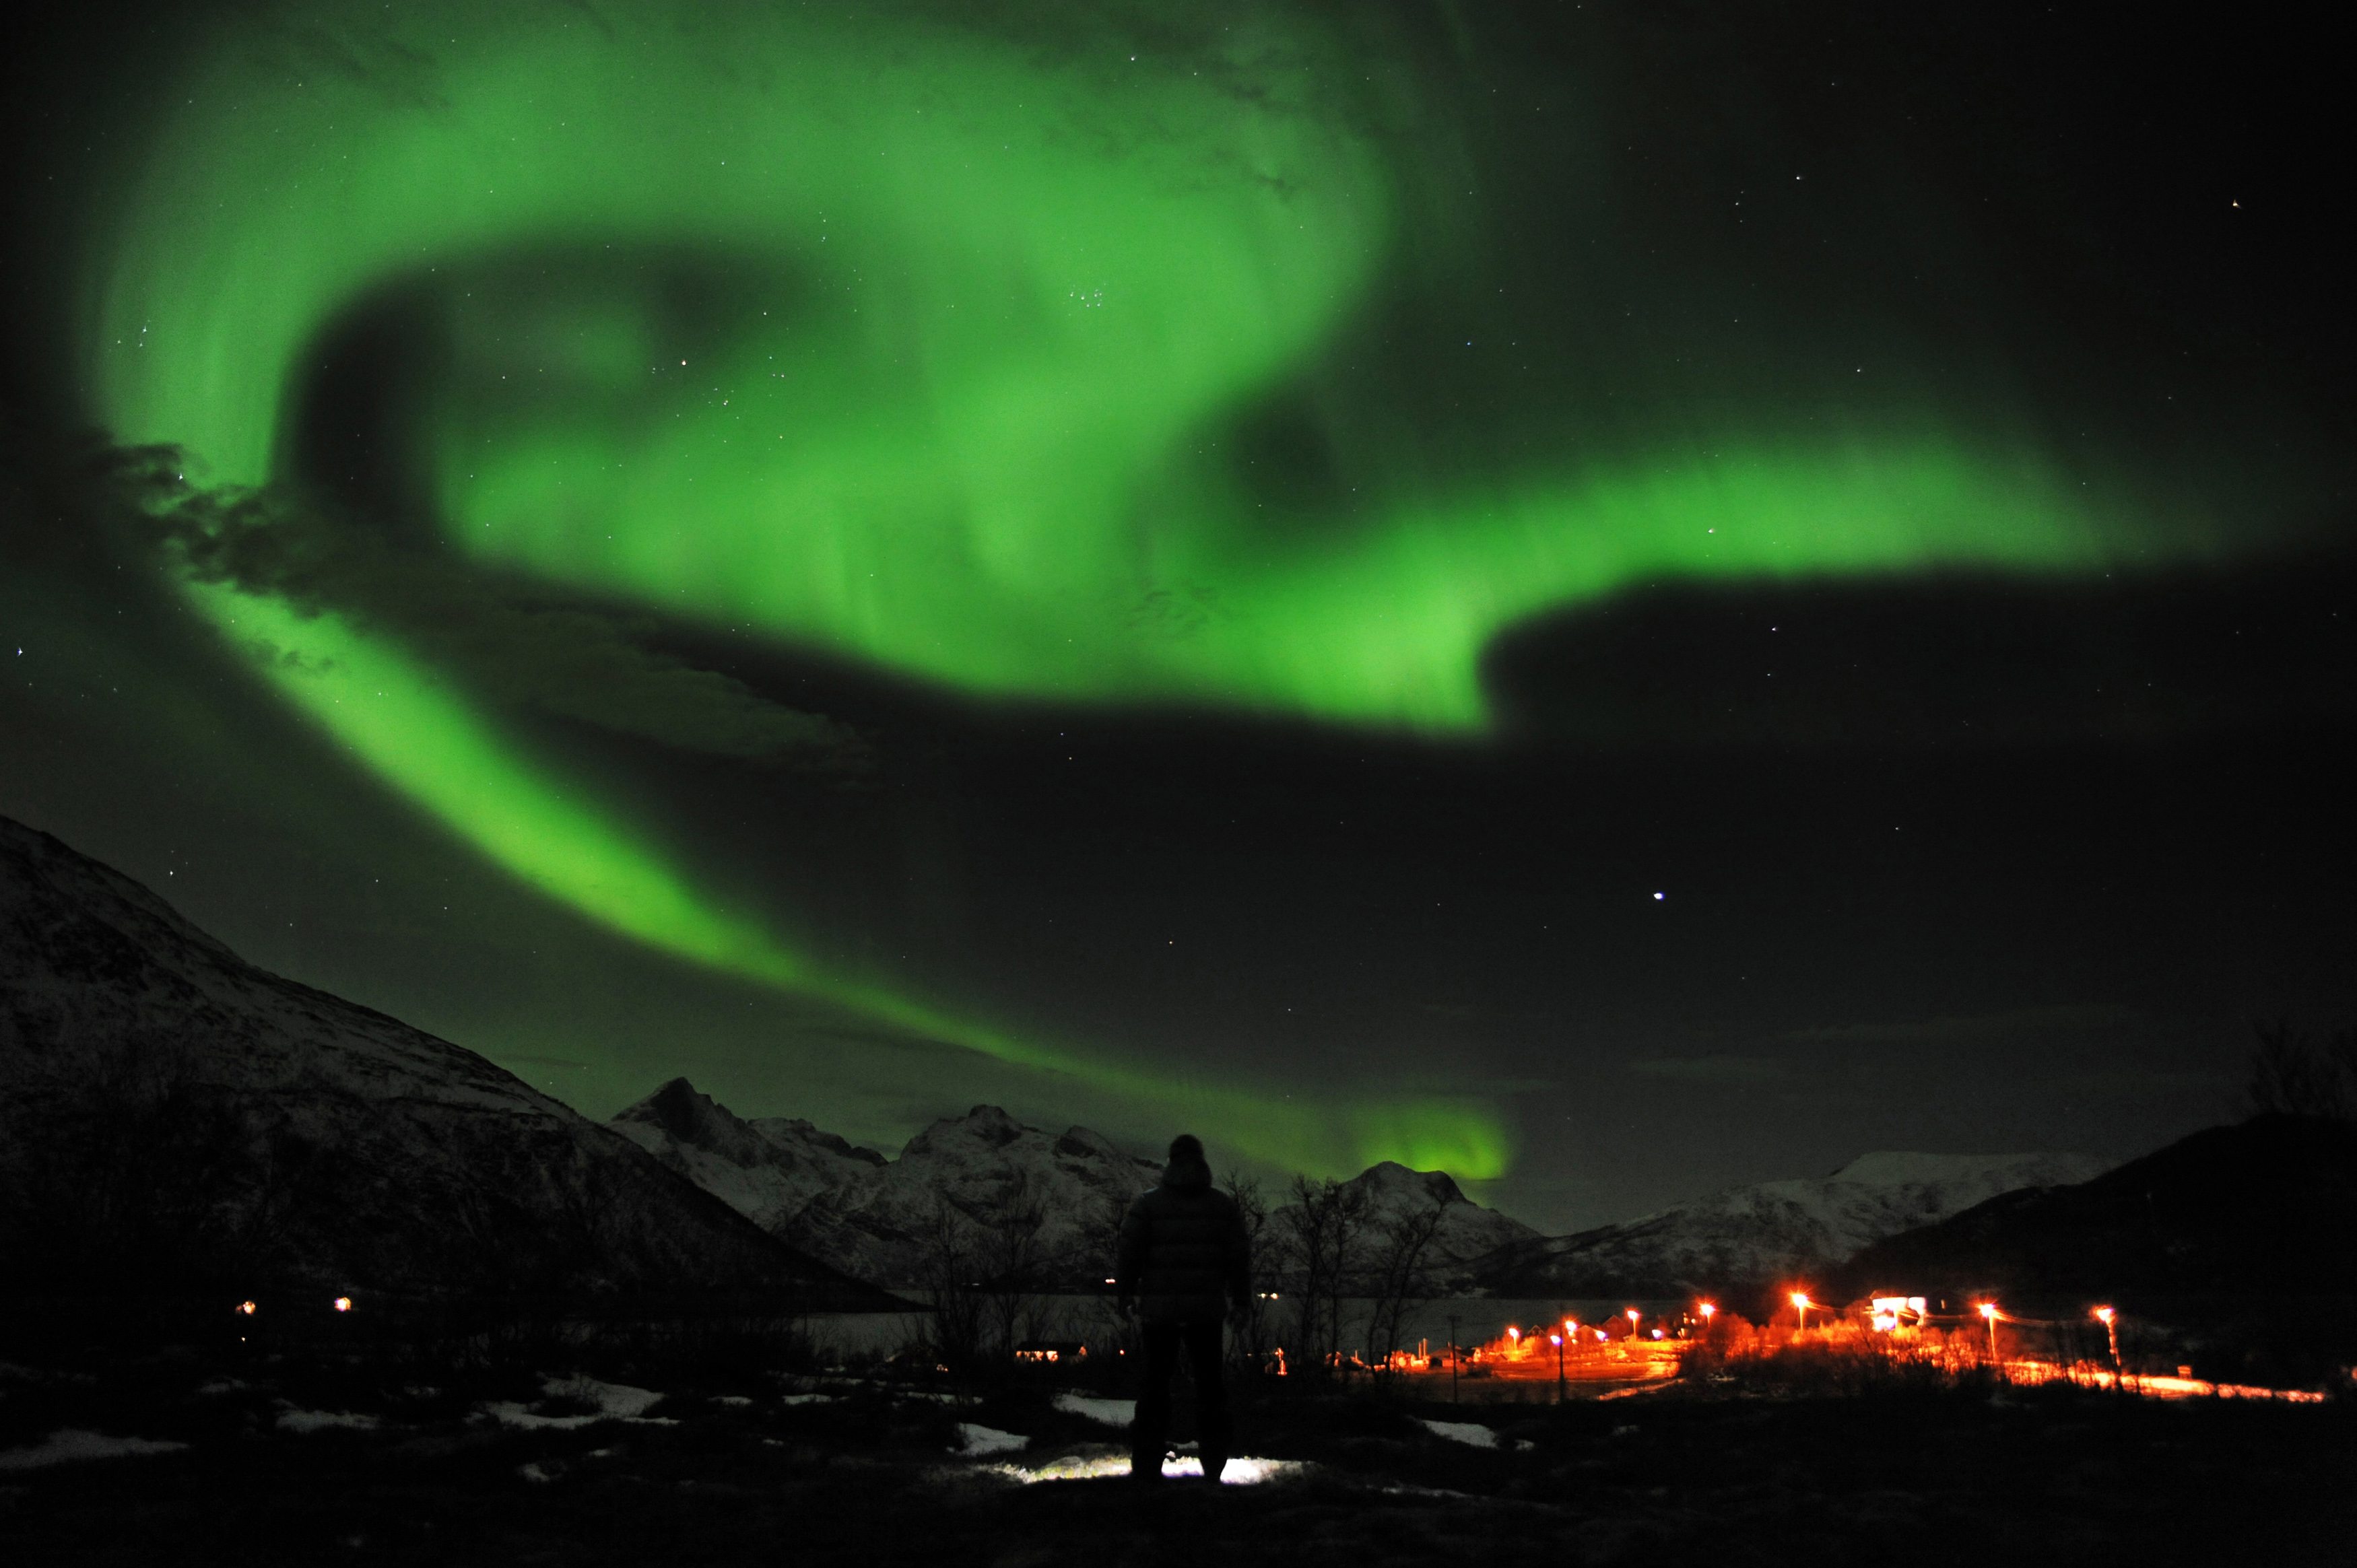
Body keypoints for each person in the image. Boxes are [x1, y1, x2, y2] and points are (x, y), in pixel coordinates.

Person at [1115, 1132, 1251, 1484]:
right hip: (1206, 1312)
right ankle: (1214, 1468)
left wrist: (1126, 1294)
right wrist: (1241, 1301)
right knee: (1210, 1388)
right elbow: (1239, 1260)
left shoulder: (1148, 1206)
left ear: (1171, 1163)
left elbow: (1129, 1254)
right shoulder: (1222, 1207)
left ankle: (1146, 1467)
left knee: (1155, 1388)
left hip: (1159, 1313)